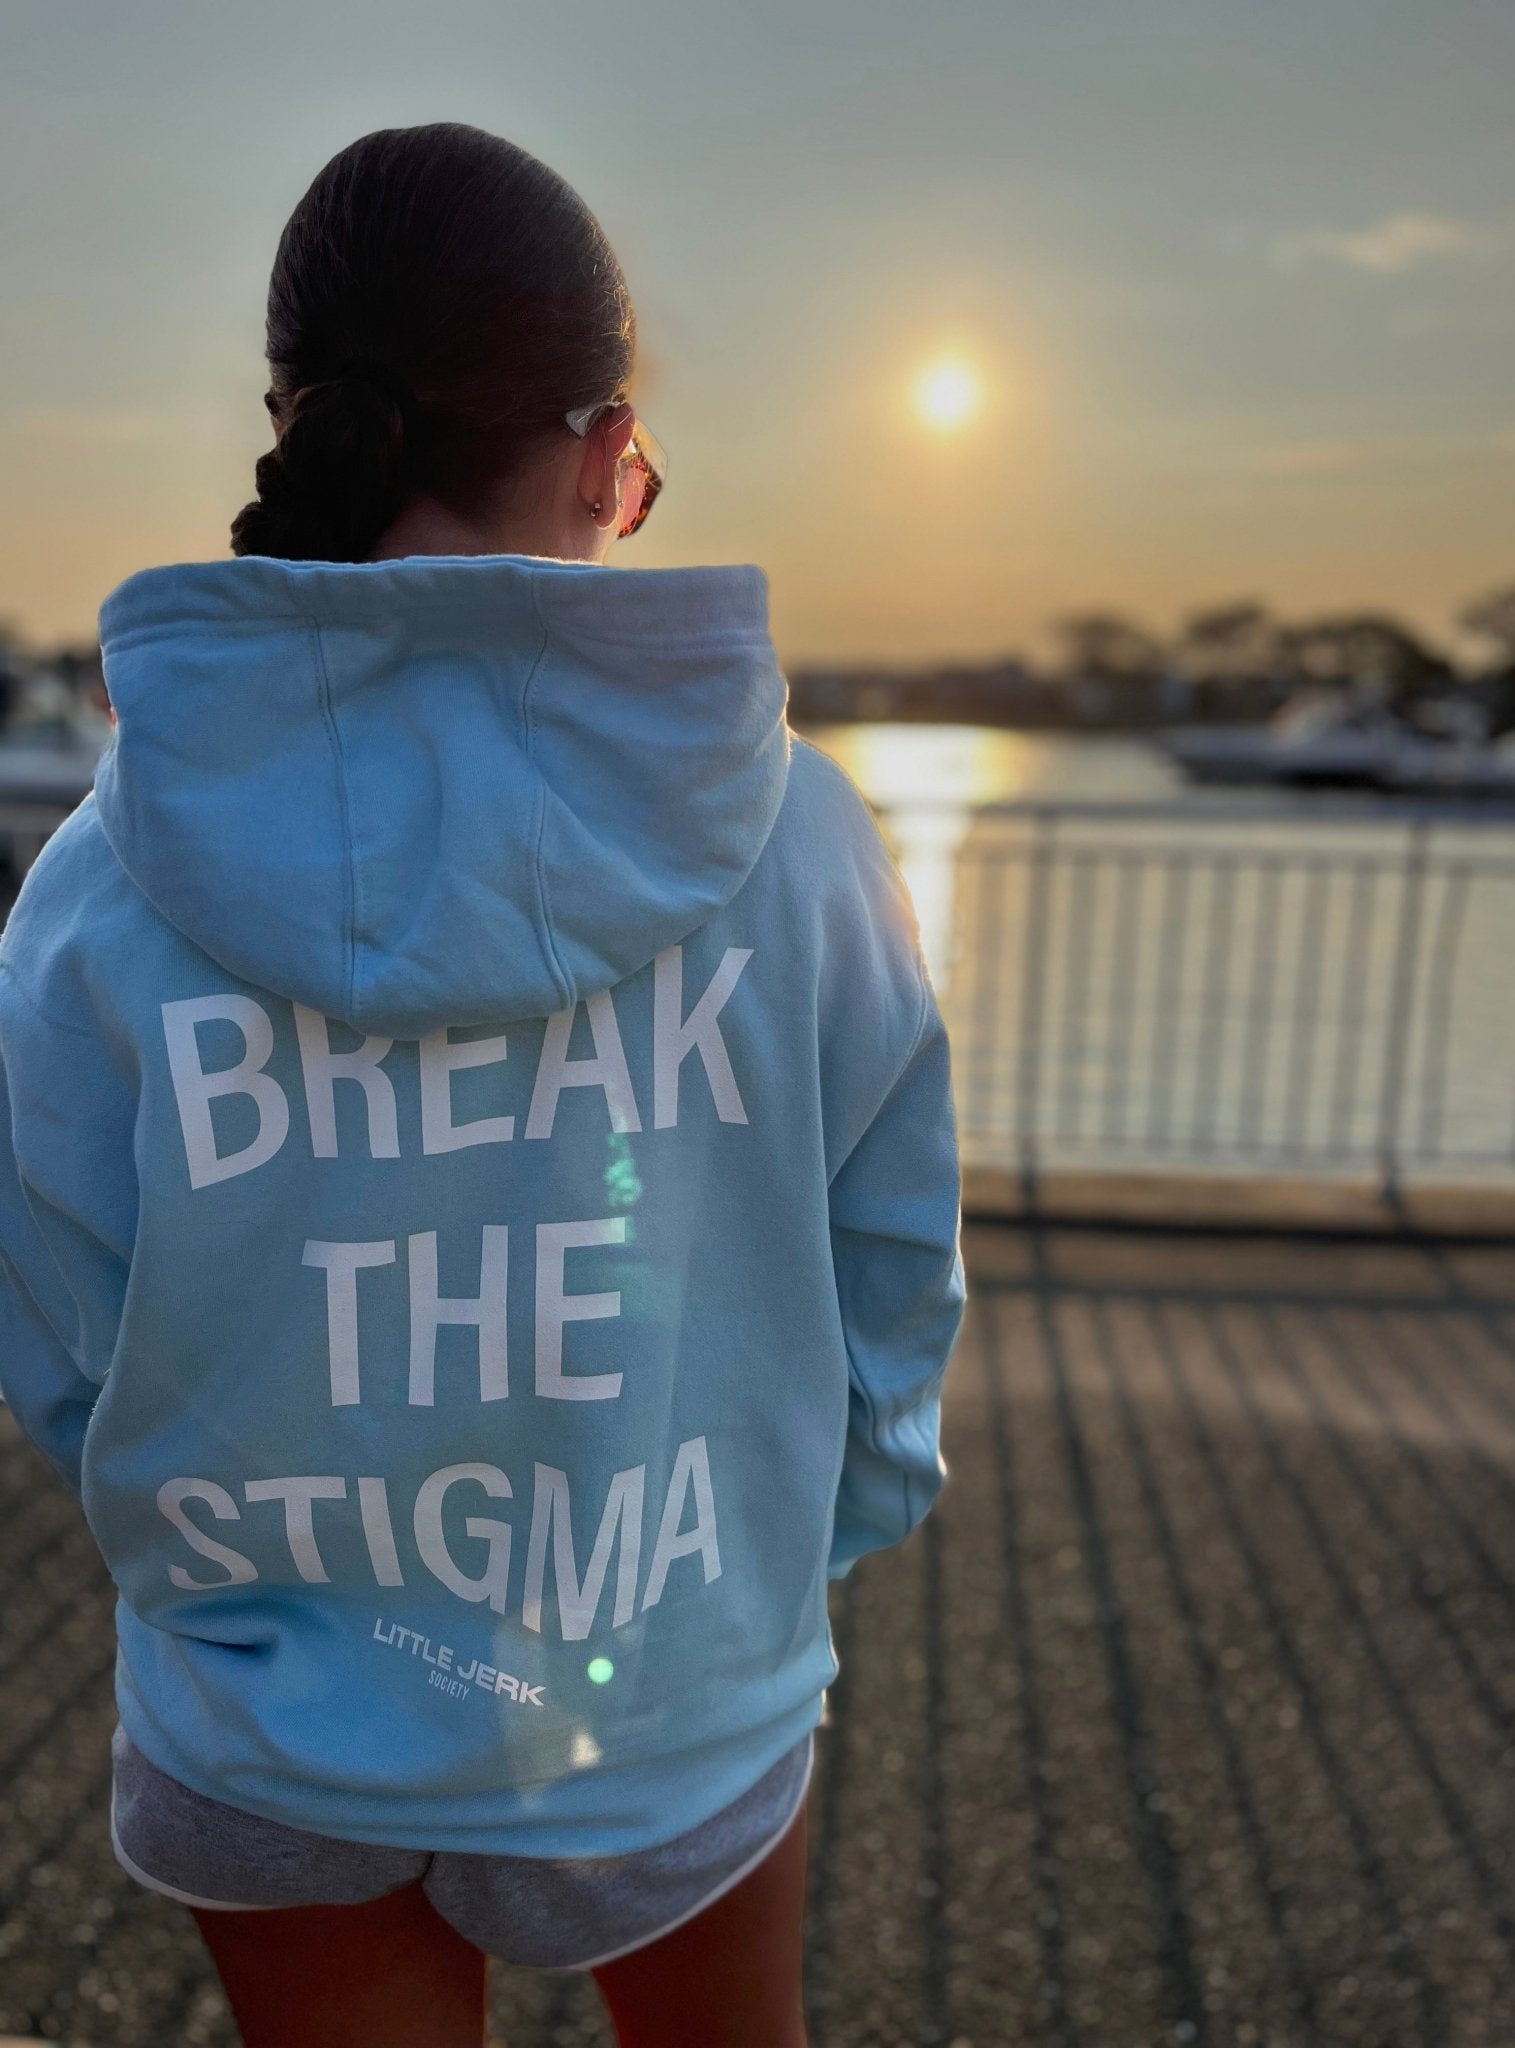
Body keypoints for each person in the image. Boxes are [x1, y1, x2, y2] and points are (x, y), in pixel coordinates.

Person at [0, 122, 965, 2048]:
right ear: (613, 453)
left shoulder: (102, 884)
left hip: (271, 1722)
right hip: (669, 1698)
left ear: (293, 420)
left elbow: (63, 1340)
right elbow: (889, 1282)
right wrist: (788, 1558)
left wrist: (247, 1573)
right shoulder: (805, 847)